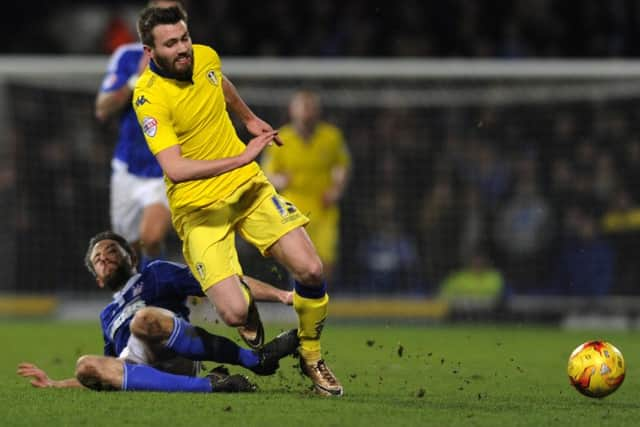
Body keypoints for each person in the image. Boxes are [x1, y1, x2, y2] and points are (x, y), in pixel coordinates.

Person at [132, 6, 342, 396]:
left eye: (185, 38)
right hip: (198, 209)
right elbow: (175, 169)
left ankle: (311, 355)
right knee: (233, 313)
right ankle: (245, 305)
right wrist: (243, 155)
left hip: (247, 188)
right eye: (171, 44)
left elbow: (219, 83)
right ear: (149, 52)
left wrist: (247, 118)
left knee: (311, 270)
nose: (184, 49)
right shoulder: (148, 98)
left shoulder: (206, 57)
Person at [17, 231, 298, 393]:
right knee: (85, 366)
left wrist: (281, 295)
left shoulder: (155, 274)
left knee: (144, 319)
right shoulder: (107, 315)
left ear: (132, 257)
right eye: (97, 260)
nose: (103, 258)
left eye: (111, 251)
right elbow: (111, 371)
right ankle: (212, 386)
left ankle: (254, 359)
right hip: (139, 365)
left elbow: (223, 282)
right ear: (98, 279)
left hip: (177, 352)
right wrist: (55, 384)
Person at [95, 1, 183, 270]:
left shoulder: (189, 61)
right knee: (128, 250)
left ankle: (160, 293)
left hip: (164, 169)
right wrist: (136, 80)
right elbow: (102, 109)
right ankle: (143, 296)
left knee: (151, 237)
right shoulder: (127, 56)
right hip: (128, 168)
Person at [261, 90, 351, 282]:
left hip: (323, 208)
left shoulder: (331, 137)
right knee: (299, 264)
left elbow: (342, 165)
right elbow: (268, 173)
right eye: (303, 107)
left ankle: (320, 302)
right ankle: (299, 302)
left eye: (311, 107)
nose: (307, 112)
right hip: (293, 210)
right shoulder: (281, 138)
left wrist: (337, 189)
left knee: (326, 264)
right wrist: (281, 180)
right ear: (292, 110)